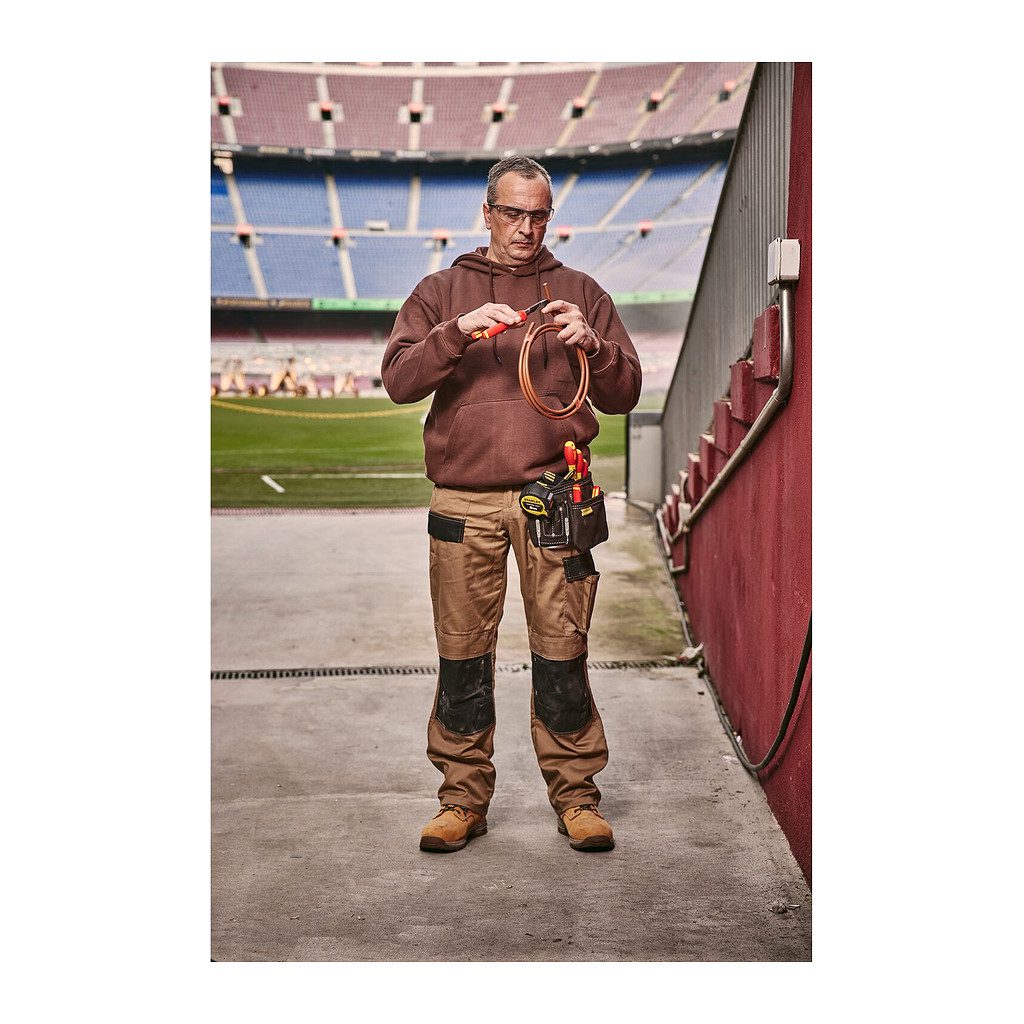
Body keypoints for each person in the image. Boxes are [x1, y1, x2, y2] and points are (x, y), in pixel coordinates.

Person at [381, 156, 641, 854]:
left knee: (563, 650)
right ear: (488, 213)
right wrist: (457, 331)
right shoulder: (441, 290)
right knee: (462, 654)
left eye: (538, 215)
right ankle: (461, 799)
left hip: (555, 497)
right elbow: (399, 381)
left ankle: (577, 796)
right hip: (463, 501)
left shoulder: (580, 291)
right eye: (513, 213)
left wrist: (595, 347)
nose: (526, 228)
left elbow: (625, 394)